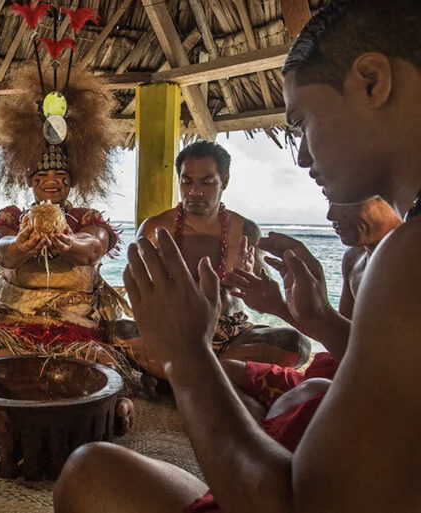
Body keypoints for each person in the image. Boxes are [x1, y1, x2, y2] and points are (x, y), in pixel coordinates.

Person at [54, 1, 421, 511]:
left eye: (301, 121)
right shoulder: (160, 226)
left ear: (371, 82)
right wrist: (313, 316)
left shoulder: (406, 260)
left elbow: (302, 502)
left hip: (244, 404)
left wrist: (186, 358)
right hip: (277, 420)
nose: (302, 156)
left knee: (87, 473)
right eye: (188, 181)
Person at [0, 63, 136, 431]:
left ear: (71, 182)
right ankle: (63, 397)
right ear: (31, 183)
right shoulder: (11, 217)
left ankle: (25, 395)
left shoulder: (86, 219)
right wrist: (22, 246)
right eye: (42, 178)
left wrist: (68, 242)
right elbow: (0, 249)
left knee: (101, 358)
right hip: (11, 325)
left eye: (59, 178)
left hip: (75, 328)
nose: (51, 183)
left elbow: (92, 248)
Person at [220, 198, 401, 419]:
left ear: (383, 195)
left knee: (308, 395)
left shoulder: (409, 259)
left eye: (344, 201)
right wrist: (279, 307)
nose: (331, 215)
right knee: (219, 374)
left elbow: (397, 374)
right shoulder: (353, 258)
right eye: (329, 200)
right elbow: (341, 348)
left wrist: (319, 312)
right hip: (343, 375)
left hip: (385, 393)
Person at [137, 140, 309, 368]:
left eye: (206, 183)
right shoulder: (154, 229)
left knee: (296, 345)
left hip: (232, 336)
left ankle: (186, 372)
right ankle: (221, 372)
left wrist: (248, 284)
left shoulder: (245, 231)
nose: (195, 192)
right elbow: (141, 299)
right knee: (118, 332)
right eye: (186, 182)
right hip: (171, 335)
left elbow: (259, 305)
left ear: (224, 181)